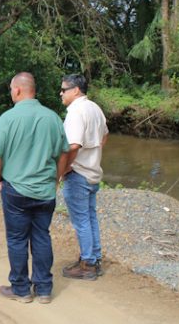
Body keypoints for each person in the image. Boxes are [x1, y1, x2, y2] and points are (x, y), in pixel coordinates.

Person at [0, 72, 69, 304]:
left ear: (18, 90)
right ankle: (43, 290)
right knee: (41, 236)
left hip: (16, 190)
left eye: (11, 89)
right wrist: (56, 178)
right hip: (45, 191)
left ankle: (21, 289)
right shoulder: (52, 117)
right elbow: (64, 153)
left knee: (17, 239)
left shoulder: (8, 118)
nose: (11, 93)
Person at [60, 74, 108, 281]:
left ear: (76, 90)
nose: (60, 93)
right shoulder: (95, 108)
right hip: (92, 171)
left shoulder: (76, 111)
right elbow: (105, 135)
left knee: (81, 221)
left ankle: (88, 264)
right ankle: (93, 258)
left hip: (78, 173)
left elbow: (73, 145)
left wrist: (65, 168)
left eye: (64, 89)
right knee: (90, 217)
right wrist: (93, 155)